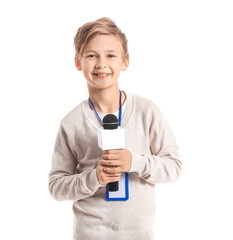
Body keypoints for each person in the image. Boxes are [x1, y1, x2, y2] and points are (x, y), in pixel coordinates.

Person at [48, 17, 182, 240]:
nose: (101, 64)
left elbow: (174, 166)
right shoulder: (70, 123)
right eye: (92, 55)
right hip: (90, 233)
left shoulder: (147, 112)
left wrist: (134, 162)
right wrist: (94, 178)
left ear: (125, 62)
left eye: (111, 55)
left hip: (139, 233)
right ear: (78, 62)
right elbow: (56, 186)